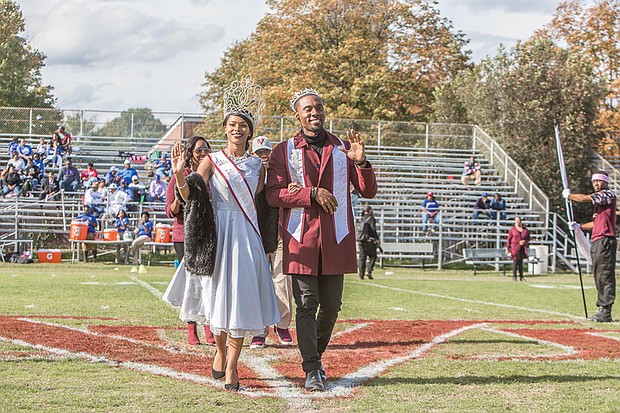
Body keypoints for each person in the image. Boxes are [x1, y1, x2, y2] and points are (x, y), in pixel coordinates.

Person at [168, 78, 280, 392]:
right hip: (216, 234)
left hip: (246, 236)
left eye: (243, 125)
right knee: (218, 300)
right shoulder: (212, 161)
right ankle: (219, 352)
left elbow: (262, 204)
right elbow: (191, 196)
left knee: (241, 302)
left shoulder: (260, 166)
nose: (237, 129)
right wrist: (179, 174)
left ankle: (232, 367)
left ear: (250, 131)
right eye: (232, 124)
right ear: (225, 129)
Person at [266, 88, 377, 392]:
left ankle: (315, 356)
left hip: (335, 238)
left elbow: (367, 192)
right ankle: (312, 367)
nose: (314, 113)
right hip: (300, 239)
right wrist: (310, 194)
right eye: (307, 109)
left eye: (319, 107)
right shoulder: (283, 150)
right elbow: (274, 194)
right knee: (306, 304)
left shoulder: (343, 148)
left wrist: (363, 163)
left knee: (331, 307)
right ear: (297, 114)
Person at [163, 135, 216, 346]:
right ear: (190, 154)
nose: (203, 154)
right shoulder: (181, 175)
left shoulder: (213, 174)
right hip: (185, 234)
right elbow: (170, 210)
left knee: (209, 281)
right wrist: (180, 196)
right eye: (198, 150)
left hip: (209, 233)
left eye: (206, 150)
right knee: (191, 284)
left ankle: (208, 324)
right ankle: (191, 326)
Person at [250, 136, 295, 349]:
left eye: (266, 152)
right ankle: (259, 330)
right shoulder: (249, 175)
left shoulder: (281, 174)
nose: (263, 156)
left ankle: (282, 324)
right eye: (259, 153)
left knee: (283, 282)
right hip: (256, 235)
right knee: (258, 284)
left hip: (279, 235)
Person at [564, 171, 617, 322]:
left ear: (605, 182)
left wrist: (569, 196)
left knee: (604, 275)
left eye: (599, 181)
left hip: (605, 240)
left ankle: (606, 310)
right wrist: (579, 227)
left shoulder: (608, 195)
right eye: (594, 182)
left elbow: (582, 198)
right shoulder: (601, 206)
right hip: (598, 239)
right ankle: (602, 308)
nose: (596, 184)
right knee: (599, 274)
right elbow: (596, 224)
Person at [357, 205, 380, 280]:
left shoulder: (361, 218)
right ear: (370, 210)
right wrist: (376, 239)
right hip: (369, 241)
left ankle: (361, 275)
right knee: (373, 256)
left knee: (362, 258)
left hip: (361, 240)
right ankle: (369, 271)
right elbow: (373, 229)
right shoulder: (371, 219)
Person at [506, 216, 530, 281]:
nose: (517, 222)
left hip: (522, 248)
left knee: (520, 263)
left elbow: (528, 238)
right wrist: (507, 248)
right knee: (515, 262)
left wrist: (524, 241)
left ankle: (521, 276)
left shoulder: (525, 230)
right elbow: (508, 239)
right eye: (516, 221)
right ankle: (514, 277)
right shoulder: (512, 230)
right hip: (515, 248)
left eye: (518, 220)